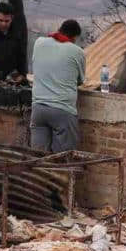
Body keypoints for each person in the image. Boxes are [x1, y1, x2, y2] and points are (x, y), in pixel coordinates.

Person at [31, 19, 85, 153]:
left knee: (37, 157)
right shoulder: (77, 51)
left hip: (38, 109)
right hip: (62, 111)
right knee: (63, 160)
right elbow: (79, 81)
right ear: (75, 37)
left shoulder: (39, 42)